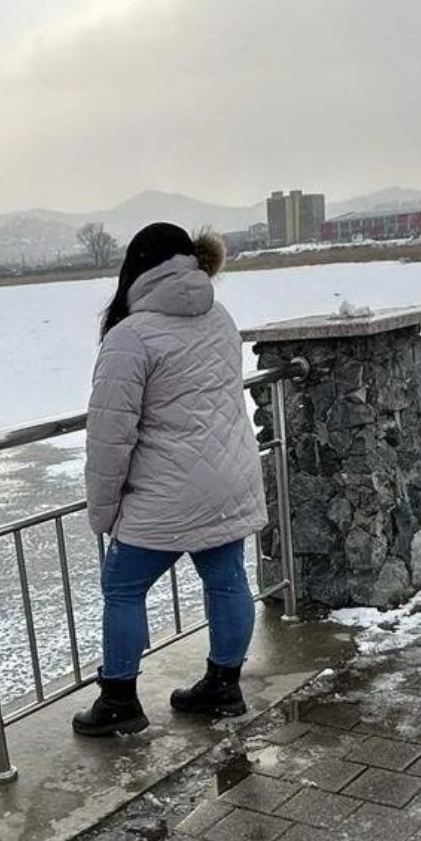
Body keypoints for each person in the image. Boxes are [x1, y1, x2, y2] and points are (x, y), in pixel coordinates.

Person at [73, 222, 267, 737]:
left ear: (136, 269)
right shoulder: (220, 316)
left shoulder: (130, 336)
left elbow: (110, 438)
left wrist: (104, 511)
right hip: (228, 478)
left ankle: (118, 699)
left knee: (122, 584)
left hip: (166, 491)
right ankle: (223, 685)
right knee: (226, 579)